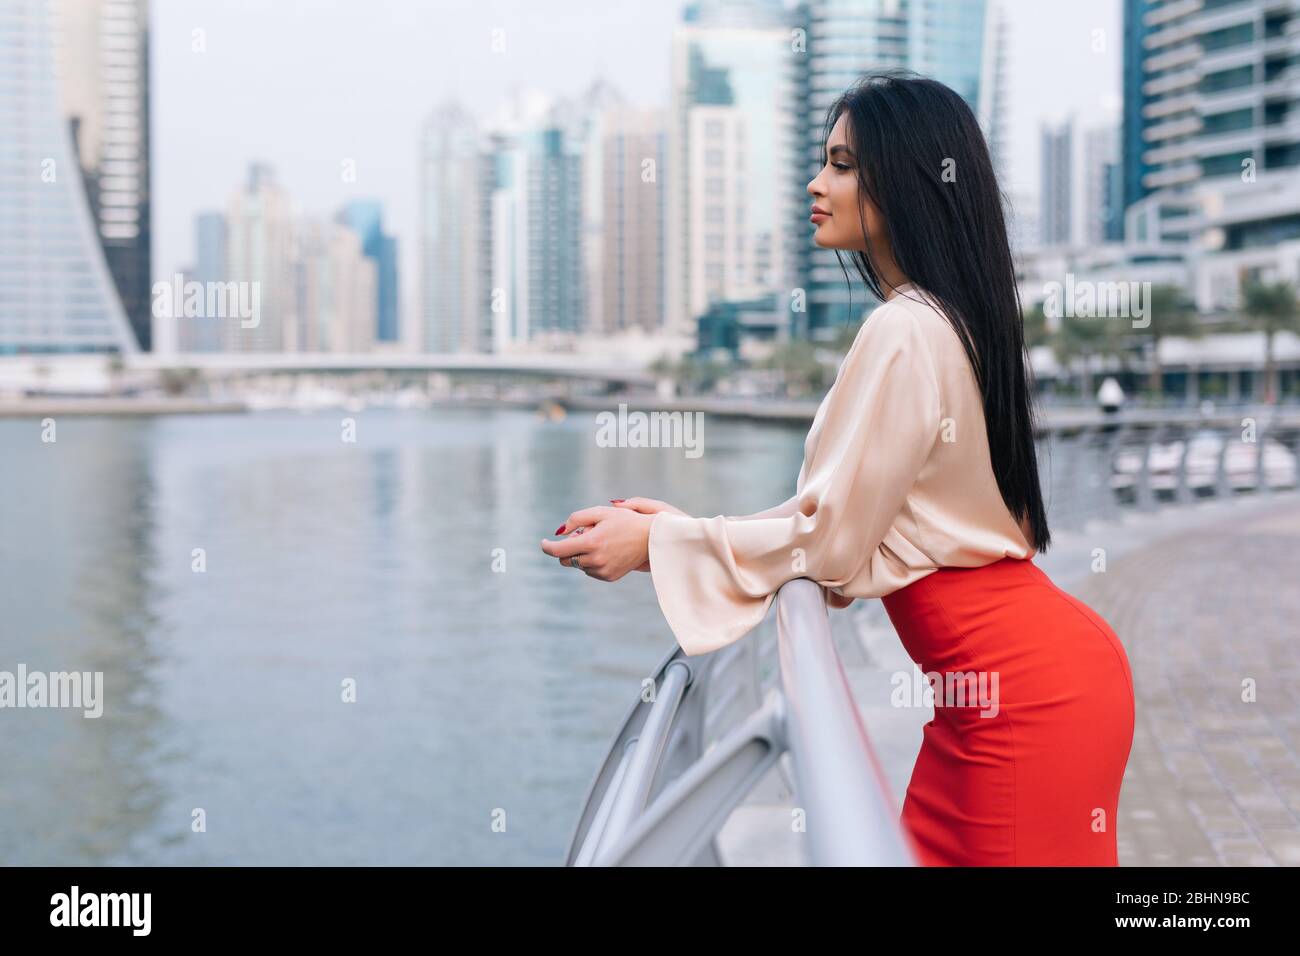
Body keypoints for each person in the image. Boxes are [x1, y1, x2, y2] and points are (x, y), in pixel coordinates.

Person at [540, 69, 1135, 867]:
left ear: (911, 178)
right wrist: (680, 530)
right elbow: (859, 524)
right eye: (825, 161)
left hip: (1020, 702)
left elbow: (830, 543)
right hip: (1018, 687)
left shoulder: (906, 329)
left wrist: (658, 549)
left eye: (844, 164)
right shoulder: (947, 319)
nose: (816, 182)